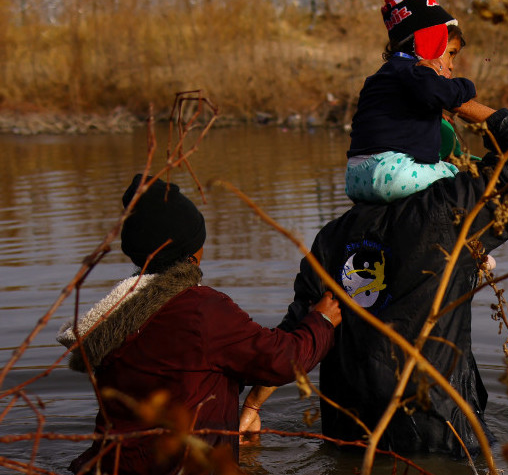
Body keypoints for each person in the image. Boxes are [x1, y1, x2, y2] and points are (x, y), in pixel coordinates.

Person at [241, 106, 508, 458]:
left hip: (351, 437)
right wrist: (456, 95)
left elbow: (298, 335)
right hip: (437, 436)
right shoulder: (447, 214)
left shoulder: (331, 237)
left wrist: (251, 407)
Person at [56, 174, 341, 474]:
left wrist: (246, 409)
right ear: (191, 253)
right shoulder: (202, 310)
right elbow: (283, 359)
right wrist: (322, 321)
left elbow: (190, 371)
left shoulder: (115, 314)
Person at [345, 0, 491, 203]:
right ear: (430, 43)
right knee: (457, 176)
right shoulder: (416, 73)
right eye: (450, 54)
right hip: (391, 173)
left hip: (355, 178)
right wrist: (467, 87)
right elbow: (444, 94)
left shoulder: (383, 78)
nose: (451, 65)